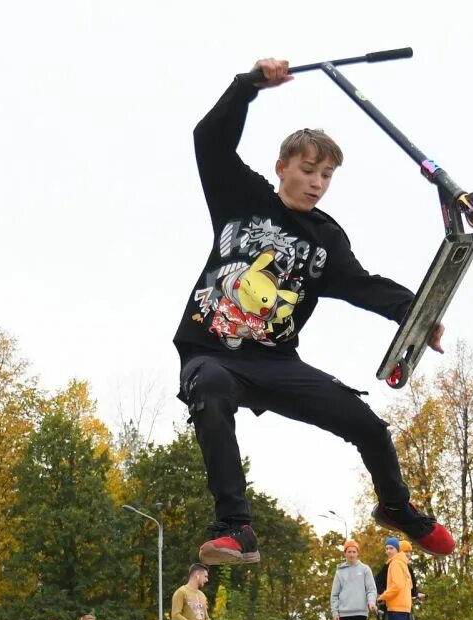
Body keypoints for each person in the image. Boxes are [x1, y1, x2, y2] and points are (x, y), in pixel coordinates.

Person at [177, 56, 455, 569]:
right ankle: (236, 527)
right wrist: (248, 85)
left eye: (326, 175)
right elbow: (208, 140)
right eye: (307, 171)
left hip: (277, 365)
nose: (316, 183)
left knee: (367, 425)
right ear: (282, 167)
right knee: (211, 389)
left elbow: (360, 285)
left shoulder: (325, 238)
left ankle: (396, 508)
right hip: (211, 351)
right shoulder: (240, 195)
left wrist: (416, 314)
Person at [378, 537, 416, 620]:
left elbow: (396, 586)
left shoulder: (394, 564)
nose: (388, 551)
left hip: (396, 606)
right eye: (387, 548)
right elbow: (410, 585)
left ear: (397, 550)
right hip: (405, 605)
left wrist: (382, 597)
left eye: (391, 548)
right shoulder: (403, 564)